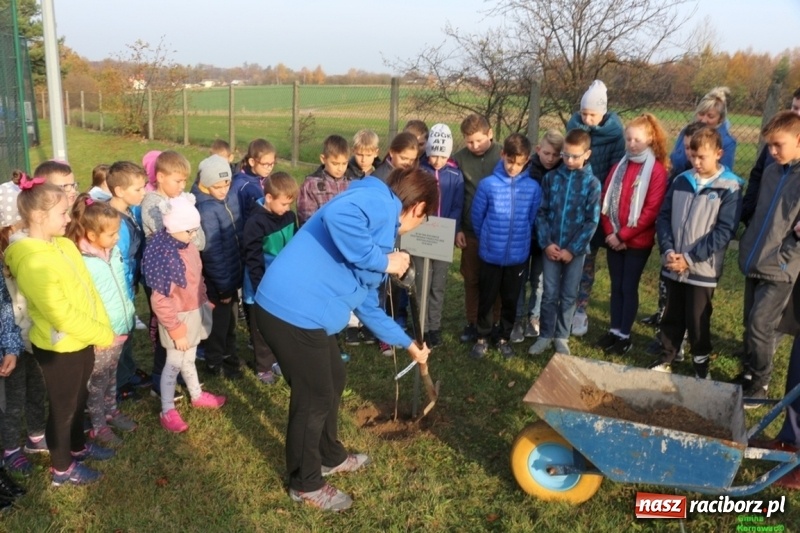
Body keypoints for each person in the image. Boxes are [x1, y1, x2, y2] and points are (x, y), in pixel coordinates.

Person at [254, 167, 435, 511]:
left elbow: (367, 304)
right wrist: (383, 261)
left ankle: (329, 455)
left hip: (302, 315)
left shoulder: (377, 224)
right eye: (422, 220)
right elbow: (339, 213)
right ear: (418, 208)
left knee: (334, 378)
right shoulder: (381, 203)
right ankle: (305, 483)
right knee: (314, 395)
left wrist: (409, 345)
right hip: (288, 311)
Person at [5, 178, 115, 487]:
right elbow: (59, 313)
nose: (69, 219)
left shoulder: (64, 245)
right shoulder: (32, 261)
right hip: (59, 347)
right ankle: (62, 469)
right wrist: (100, 334)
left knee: (79, 399)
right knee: (64, 408)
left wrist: (101, 327)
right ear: (39, 216)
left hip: (83, 339)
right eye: (63, 213)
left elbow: (90, 292)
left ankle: (77, 447)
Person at [647, 127, 742, 378]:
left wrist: (689, 258)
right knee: (671, 314)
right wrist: (668, 250)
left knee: (698, 319)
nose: (696, 162)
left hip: (702, 268)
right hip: (673, 264)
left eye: (702, 157)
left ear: (719, 154)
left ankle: (700, 364)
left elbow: (724, 231)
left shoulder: (729, 187)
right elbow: (664, 217)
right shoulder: (681, 180)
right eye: (692, 156)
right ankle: (667, 356)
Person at [142, 196, 226, 433]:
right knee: (174, 363)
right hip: (177, 318)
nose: (193, 235)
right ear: (176, 227)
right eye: (190, 231)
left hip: (193, 311)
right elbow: (160, 299)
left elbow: (197, 278)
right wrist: (176, 329)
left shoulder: (186, 246)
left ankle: (196, 395)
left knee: (189, 358)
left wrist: (203, 301)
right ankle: (167, 409)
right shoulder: (163, 255)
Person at [737, 110, 800, 401]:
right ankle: (749, 371)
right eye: (769, 145)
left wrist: (786, 256)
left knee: (761, 324)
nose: (772, 152)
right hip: (756, 258)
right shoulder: (773, 171)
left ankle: (760, 383)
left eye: (779, 145)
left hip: (781, 267)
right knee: (749, 320)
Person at [594, 113, 669, 355]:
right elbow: (605, 201)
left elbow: (650, 210)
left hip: (637, 242)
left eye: (637, 139)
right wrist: (610, 234)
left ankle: (625, 335)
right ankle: (614, 331)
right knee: (616, 286)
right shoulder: (619, 166)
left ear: (650, 139)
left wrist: (623, 236)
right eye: (628, 139)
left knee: (628, 286)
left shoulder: (656, 171)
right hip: (613, 238)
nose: (631, 144)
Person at [67, 194, 138, 446]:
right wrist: (97, 333)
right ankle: (98, 425)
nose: (117, 237)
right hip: (101, 334)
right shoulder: (82, 262)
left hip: (120, 327)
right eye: (111, 234)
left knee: (111, 375)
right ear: (91, 235)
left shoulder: (112, 251)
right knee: (97, 382)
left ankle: (111, 411)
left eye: (117, 231)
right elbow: (84, 302)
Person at [529, 129, 601, 357]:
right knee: (549, 293)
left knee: (569, 294)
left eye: (575, 156)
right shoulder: (551, 179)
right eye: (566, 155)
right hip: (551, 247)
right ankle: (545, 335)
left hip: (575, 252)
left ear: (587, 154)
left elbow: (592, 221)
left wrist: (573, 249)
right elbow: (541, 213)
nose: (569, 160)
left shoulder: (592, 184)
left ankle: (561, 336)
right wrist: (546, 243)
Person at [470, 134, 542, 359]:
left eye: (519, 164)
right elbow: (477, 217)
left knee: (510, 299)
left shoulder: (532, 188)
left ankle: (503, 337)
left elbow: (532, 218)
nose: (513, 167)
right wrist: (488, 238)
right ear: (503, 155)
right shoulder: (488, 185)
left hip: (517, 256)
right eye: (510, 161)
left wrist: (520, 240)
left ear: (527, 161)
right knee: (487, 297)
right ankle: (482, 336)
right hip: (491, 254)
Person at [141, 151, 205, 400]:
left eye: (183, 181)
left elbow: (195, 239)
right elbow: (175, 235)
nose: (182, 186)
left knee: (181, 331)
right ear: (160, 177)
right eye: (177, 181)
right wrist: (189, 231)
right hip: (163, 278)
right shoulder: (154, 204)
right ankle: (160, 382)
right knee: (167, 328)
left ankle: (179, 371)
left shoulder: (176, 202)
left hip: (181, 275)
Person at [566, 80, 625, 337]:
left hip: (598, 204)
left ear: (603, 113)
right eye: (584, 113)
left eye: (593, 114)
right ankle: (564, 305)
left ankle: (580, 308)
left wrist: (601, 200)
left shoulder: (615, 135)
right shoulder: (574, 128)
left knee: (588, 259)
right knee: (569, 257)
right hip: (572, 203)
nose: (587, 119)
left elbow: (616, 171)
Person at [0, 178, 48, 476]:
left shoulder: (28, 250)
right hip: (12, 345)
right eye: (20, 225)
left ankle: (36, 434)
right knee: (13, 399)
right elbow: (4, 310)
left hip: (34, 335)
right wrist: (11, 347)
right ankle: (10, 447)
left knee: (37, 386)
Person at [243, 172, 298, 384]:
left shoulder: (289, 217)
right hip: (260, 286)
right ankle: (263, 366)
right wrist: (260, 288)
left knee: (278, 325)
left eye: (290, 204)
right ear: (268, 198)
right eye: (283, 204)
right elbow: (253, 259)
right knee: (260, 327)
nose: (287, 209)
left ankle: (276, 359)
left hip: (282, 283)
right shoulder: (255, 223)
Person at [453, 114, 503, 344]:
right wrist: (458, 229)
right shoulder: (459, 159)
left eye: (479, 141)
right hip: (470, 230)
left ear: (490, 133)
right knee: (471, 279)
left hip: (498, 232)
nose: (474, 146)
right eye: (469, 141)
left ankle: (494, 321)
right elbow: (457, 195)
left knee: (495, 280)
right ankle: (472, 322)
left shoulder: (503, 155)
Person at [511, 129, 564, 343]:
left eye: (556, 155)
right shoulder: (526, 169)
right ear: (538, 150)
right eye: (547, 153)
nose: (550, 159)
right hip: (523, 235)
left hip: (547, 239)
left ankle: (535, 317)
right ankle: (517, 319)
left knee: (539, 281)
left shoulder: (561, 174)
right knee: (519, 279)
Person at [194, 155, 243, 379]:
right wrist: (223, 287)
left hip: (232, 275)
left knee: (230, 321)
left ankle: (230, 357)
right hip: (218, 282)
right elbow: (212, 253)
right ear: (205, 184)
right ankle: (214, 363)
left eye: (227, 184)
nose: (224, 190)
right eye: (218, 186)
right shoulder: (205, 211)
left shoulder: (228, 199)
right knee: (219, 326)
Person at [416, 123, 464, 348]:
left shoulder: (455, 174)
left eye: (442, 156)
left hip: (443, 237)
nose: (437, 161)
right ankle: (420, 326)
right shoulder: (419, 171)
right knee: (421, 282)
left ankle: (434, 327)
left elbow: (457, 205)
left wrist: (451, 229)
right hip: (420, 235)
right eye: (433, 155)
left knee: (438, 284)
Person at [106, 161, 150, 402]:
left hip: (129, 284)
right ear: (119, 191)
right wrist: (125, 289)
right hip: (120, 288)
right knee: (120, 331)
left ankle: (128, 370)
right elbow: (118, 262)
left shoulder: (129, 211)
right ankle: (119, 382)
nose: (143, 193)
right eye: (138, 189)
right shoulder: (116, 223)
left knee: (129, 329)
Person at [740, 87, 800, 227]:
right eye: (794, 108)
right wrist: (749, 210)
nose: (797, 114)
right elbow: (757, 174)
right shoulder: (775, 143)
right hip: (760, 223)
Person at [670, 86, 737, 174]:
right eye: (701, 114)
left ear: (720, 119)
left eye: (710, 116)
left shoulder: (727, 141)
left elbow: (725, 172)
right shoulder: (686, 132)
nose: (704, 120)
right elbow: (673, 160)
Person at [297, 135, 351, 226]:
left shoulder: (351, 182)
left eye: (344, 163)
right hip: (320, 233)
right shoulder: (311, 184)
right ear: (323, 159)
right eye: (335, 163)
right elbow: (306, 218)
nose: (340, 168)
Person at [232, 139, 277, 224]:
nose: (270, 168)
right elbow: (237, 217)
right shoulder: (240, 185)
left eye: (272, 164)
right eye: (265, 164)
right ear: (252, 162)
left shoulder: (266, 178)